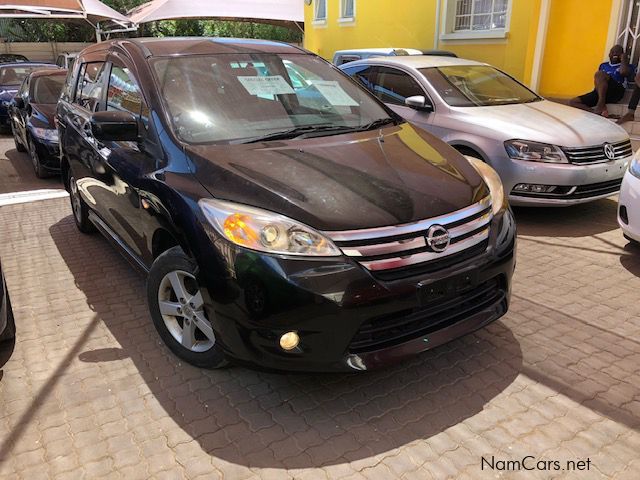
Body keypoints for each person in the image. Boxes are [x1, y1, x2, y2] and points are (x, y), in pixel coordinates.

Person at [569, 45, 635, 117]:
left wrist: (624, 59)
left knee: (600, 74)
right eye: (612, 52)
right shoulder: (603, 65)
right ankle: (596, 112)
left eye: (617, 52)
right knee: (573, 102)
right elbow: (598, 81)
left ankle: (600, 104)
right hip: (601, 92)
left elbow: (623, 72)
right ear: (609, 54)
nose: (614, 54)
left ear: (622, 54)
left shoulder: (627, 66)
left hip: (615, 92)